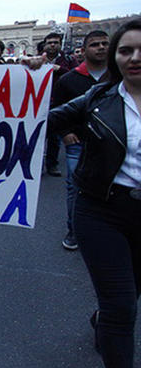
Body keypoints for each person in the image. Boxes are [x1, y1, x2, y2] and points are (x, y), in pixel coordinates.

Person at [47, 18, 141, 368]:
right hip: (102, 209)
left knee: (127, 293)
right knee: (124, 308)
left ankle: (103, 317)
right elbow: (38, 123)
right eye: (126, 51)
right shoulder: (96, 99)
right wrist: (26, 86)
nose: (135, 58)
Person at [50, 30, 110, 251]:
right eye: (95, 45)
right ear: (84, 51)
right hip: (77, 144)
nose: (101, 48)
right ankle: (74, 231)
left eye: (105, 43)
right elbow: (56, 110)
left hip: (111, 144)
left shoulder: (119, 77)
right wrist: (65, 133)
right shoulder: (69, 79)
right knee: (76, 189)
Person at [41, 32, 77, 176]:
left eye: (55, 42)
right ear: (45, 44)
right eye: (50, 42)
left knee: (54, 138)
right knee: (37, 137)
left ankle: (52, 165)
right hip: (40, 103)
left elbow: (75, 75)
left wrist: (59, 69)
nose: (52, 45)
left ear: (60, 44)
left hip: (58, 103)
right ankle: (35, 166)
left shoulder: (68, 59)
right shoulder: (38, 59)